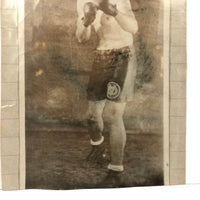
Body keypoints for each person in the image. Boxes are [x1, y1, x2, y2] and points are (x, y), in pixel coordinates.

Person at [76, 0, 138, 186]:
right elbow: (81, 38)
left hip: (123, 57)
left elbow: (133, 28)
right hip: (101, 57)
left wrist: (114, 11)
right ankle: (98, 147)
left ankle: (115, 168)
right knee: (92, 116)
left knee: (112, 114)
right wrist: (86, 22)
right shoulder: (82, 1)